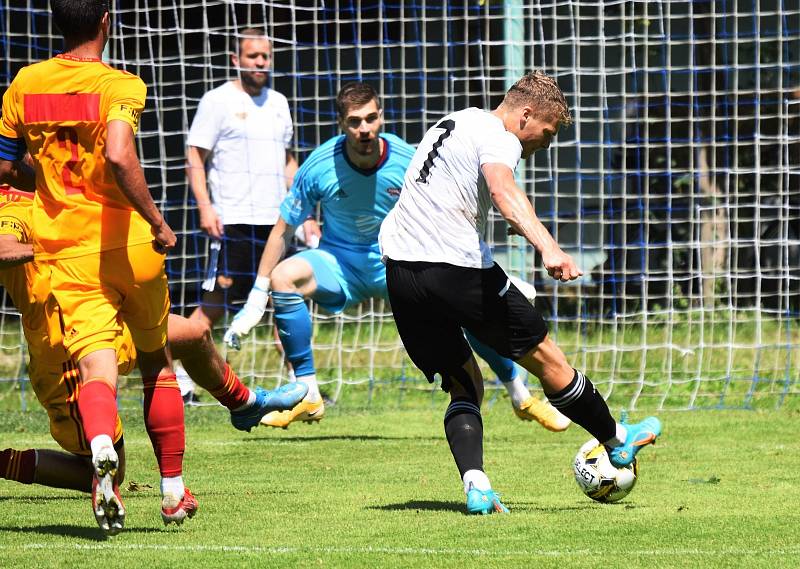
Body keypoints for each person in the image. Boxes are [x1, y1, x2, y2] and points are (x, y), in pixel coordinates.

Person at [378, 70, 662, 514]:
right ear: (525, 114)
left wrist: (497, 226)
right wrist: (547, 245)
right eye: (544, 134)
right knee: (549, 359)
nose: (541, 145)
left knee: (464, 384)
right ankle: (618, 441)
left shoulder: (453, 121)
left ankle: (477, 486)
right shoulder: (500, 135)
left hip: (401, 272)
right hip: (456, 270)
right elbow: (501, 187)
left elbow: (451, 194)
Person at [223, 82, 569, 433]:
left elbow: (454, 206)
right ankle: (309, 393)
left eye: (372, 118)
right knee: (285, 277)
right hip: (340, 265)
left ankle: (519, 395)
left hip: (400, 261)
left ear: (381, 117)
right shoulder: (318, 166)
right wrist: (256, 298)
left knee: (467, 309)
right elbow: (282, 230)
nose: (365, 129)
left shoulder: (408, 157)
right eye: (355, 121)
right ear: (342, 124)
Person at [0, 186, 307, 523]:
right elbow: (4, 246)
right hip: (63, 352)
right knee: (107, 470)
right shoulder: (11, 205)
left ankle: (244, 404)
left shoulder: (57, 191)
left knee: (194, 334)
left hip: (106, 315)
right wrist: (57, 249)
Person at [0, 0, 185, 535]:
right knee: (158, 363)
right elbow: (122, 155)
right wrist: (158, 222)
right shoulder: (121, 85)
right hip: (130, 242)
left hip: (68, 253)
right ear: (107, 21)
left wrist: (44, 178)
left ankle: (100, 442)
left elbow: (5, 162)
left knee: (95, 372)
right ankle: (172, 491)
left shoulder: (24, 85)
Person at [185, 27, 318, 329]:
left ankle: (300, 374)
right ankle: (182, 369)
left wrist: (305, 213)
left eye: (265, 56)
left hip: (277, 222)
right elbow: (194, 156)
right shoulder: (216, 100)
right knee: (217, 302)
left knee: (284, 298)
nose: (260, 62)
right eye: (253, 56)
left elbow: (287, 160)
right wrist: (205, 207)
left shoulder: (279, 102)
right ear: (236, 59)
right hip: (234, 219)